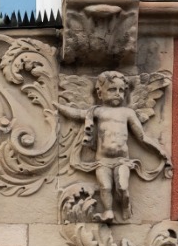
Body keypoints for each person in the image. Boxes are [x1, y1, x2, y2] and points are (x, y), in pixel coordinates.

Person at [58, 70, 169, 223]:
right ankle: (108, 211)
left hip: (121, 160)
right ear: (100, 93)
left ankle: (125, 204)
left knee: (122, 186)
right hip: (102, 161)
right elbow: (77, 113)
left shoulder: (128, 113)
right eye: (112, 89)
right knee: (105, 187)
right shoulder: (98, 111)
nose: (117, 94)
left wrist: (159, 150)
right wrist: (58, 106)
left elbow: (142, 136)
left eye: (121, 90)